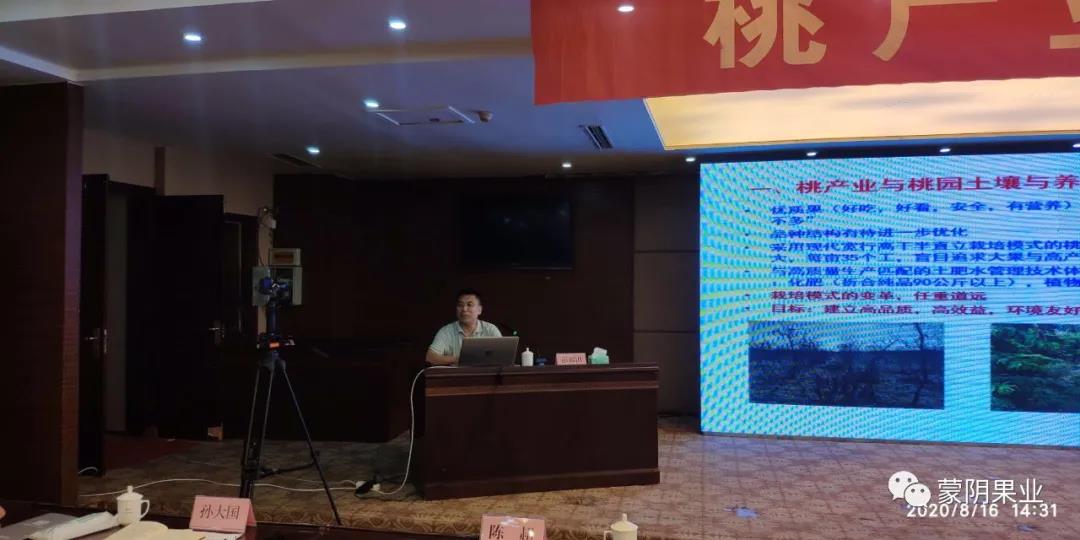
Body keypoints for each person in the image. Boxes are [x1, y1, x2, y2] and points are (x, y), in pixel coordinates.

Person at [426, 288, 502, 366]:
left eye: (469, 305)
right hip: (456, 373)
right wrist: (460, 359)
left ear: (479, 310)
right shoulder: (446, 331)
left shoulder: (490, 329)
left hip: (484, 373)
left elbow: (502, 357)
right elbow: (430, 357)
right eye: (460, 305)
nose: (464, 309)